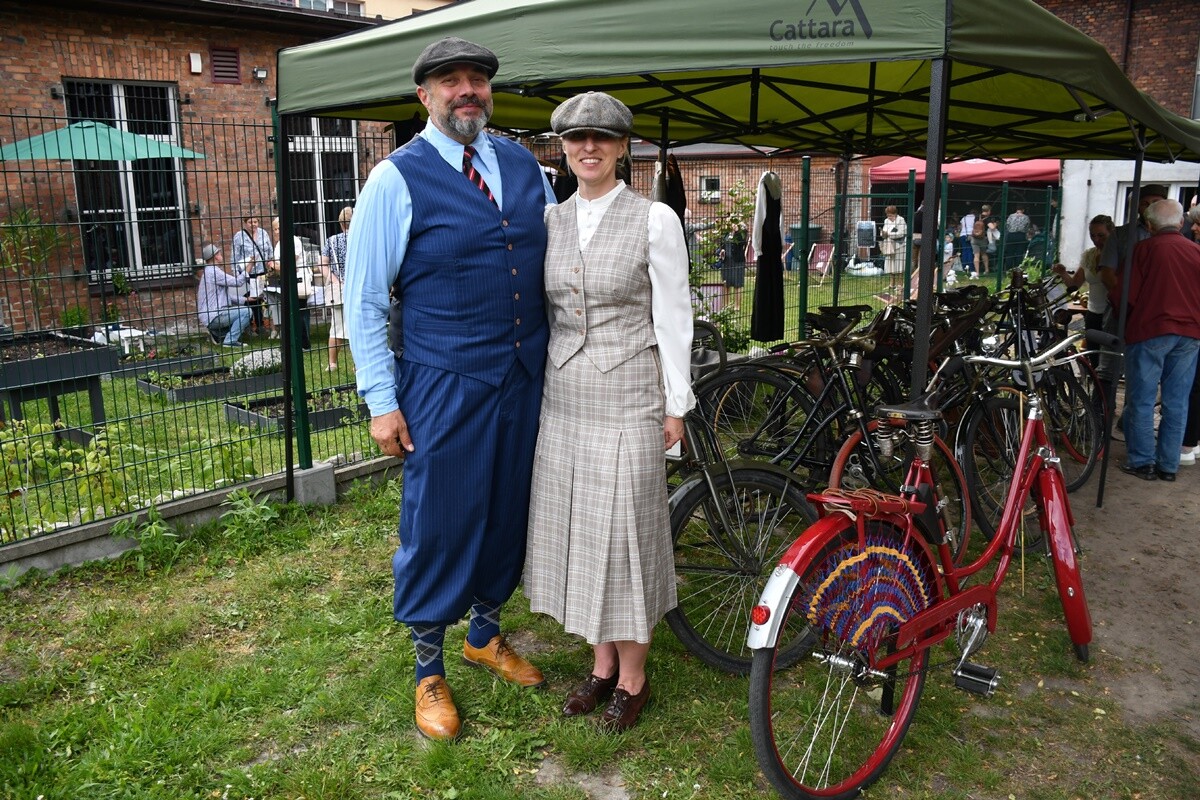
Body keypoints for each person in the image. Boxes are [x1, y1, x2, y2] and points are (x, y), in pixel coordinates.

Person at [343, 36, 557, 743]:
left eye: (477, 80)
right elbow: (364, 300)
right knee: (439, 520)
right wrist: (381, 401)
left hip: (522, 375)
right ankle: (428, 668)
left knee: (507, 508)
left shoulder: (524, 166)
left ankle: (485, 635)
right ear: (425, 96)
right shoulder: (394, 179)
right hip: (443, 380)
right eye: (450, 81)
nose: (467, 90)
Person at [523, 91, 694, 733]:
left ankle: (633, 677)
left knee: (626, 533)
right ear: (564, 149)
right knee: (580, 528)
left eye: (601, 138)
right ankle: (599, 666)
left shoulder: (654, 219)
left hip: (629, 392)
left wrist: (676, 402)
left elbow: (674, 315)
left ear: (623, 147)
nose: (588, 148)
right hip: (565, 396)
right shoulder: (549, 219)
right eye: (576, 138)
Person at [1119, 199, 1200, 482]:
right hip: (1190, 333)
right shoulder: (1196, 252)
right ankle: (1168, 465)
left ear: (1150, 225)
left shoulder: (1144, 249)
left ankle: (1142, 462)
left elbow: (1126, 296)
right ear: (1181, 223)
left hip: (1150, 330)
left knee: (1141, 399)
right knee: (1177, 401)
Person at [194, 243, 251, 348]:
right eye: (219, 253)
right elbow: (238, 282)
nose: (221, 255)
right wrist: (249, 266)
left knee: (239, 310)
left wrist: (245, 299)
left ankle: (218, 335)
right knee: (246, 312)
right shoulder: (214, 272)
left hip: (210, 315)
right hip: (214, 315)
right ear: (215, 256)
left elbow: (224, 296)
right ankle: (230, 341)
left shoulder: (209, 271)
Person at [319, 206, 353, 372]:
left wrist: (335, 280)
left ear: (341, 223)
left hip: (338, 289)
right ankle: (357, 365)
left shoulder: (331, 241)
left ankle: (332, 363)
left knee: (336, 327)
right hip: (356, 288)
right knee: (357, 329)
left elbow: (322, 265)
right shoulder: (361, 239)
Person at [271, 216, 312, 350]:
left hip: (299, 280)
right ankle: (295, 343)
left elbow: (289, 262)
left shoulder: (294, 240)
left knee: (299, 311)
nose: (277, 231)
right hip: (288, 280)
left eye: (279, 228)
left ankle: (304, 344)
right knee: (291, 312)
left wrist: (277, 266)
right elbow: (281, 265)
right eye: (275, 229)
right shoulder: (278, 245)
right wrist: (278, 266)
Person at [231, 213, 273, 335]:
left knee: (261, 299)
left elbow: (269, 250)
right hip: (247, 273)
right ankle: (248, 325)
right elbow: (234, 256)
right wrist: (236, 274)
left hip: (262, 272)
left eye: (255, 222)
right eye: (250, 222)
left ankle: (261, 325)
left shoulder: (263, 233)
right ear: (245, 223)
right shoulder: (239, 236)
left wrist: (271, 264)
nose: (253, 224)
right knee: (249, 299)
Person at [720, 222, 748, 310]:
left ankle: (737, 306)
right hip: (726, 261)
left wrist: (736, 231)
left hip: (737, 261)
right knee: (726, 283)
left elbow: (742, 243)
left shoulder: (742, 231)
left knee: (737, 284)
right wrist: (722, 250)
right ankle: (726, 305)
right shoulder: (726, 232)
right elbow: (722, 244)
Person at [1002, 205, 1030, 270]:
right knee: (1019, 253)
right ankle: (1018, 269)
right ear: (1023, 210)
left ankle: (1008, 269)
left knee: (1009, 253)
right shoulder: (1026, 217)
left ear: (1016, 209)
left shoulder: (1011, 216)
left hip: (1011, 235)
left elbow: (1007, 225)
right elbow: (1027, 227)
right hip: (1021, 235)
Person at [958, 206, 976, 274]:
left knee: (964, 251)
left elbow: (961, 227)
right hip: (971, 235)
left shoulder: (964, 218)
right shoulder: (975, 218)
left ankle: (964, 267)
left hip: (963, 234)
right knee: (970, 251)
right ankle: (971, 267)